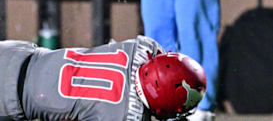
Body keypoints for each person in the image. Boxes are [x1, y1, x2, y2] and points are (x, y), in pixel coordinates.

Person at [0, 35, 207, 121]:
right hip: (9, 99)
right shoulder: (125, 115)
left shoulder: (142, 48)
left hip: (17, 52)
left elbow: (161, 61)